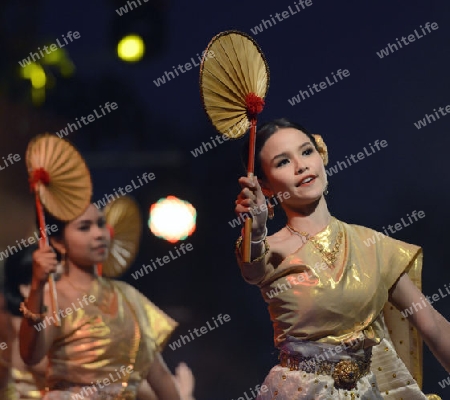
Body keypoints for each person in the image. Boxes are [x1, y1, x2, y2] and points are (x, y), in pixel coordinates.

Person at [234, 118, 448, 399]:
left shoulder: (372, 245)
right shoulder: (269, 249)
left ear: (322, 156)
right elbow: (252, 268)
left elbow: (431, 324)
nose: (301, 166)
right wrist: (257, 227)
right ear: (265, 185)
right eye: (283, 162)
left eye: (307, 151)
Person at [19, 204, 182, 400]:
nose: (99, 234)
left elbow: (160, 376)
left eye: (101, 224)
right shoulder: (54, 297)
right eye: (85, 227)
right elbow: (30, 355)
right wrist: (37, 285)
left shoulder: (128, 296)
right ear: (58, 242)